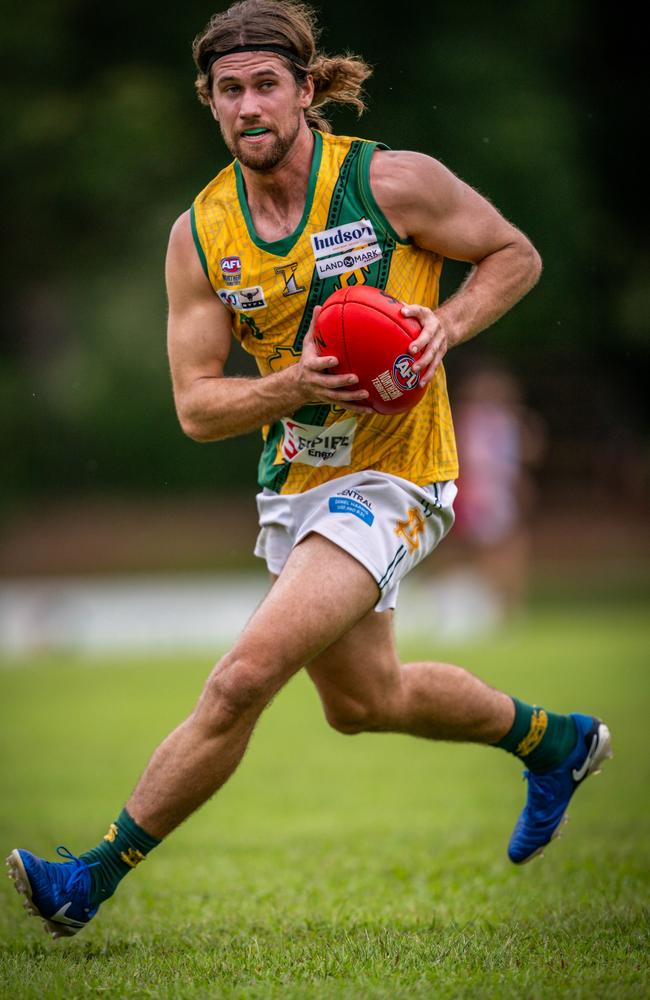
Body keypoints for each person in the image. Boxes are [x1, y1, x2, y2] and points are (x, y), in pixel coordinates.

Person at [7, 0, 611, 940]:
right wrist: (290, 385)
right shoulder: (199, 236)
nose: (249, 106)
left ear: (304, 89)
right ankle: (556, 742)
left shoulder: (390, 182)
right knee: (368, 703)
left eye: (266, 85)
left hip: (402, 476)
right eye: (229, 90)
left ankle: (92, 874)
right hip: (297, 481)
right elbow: (197, 407)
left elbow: (514, 255)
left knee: (242, 677)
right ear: (209, 101)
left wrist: (440, 329)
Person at [451, 360, 547, 621]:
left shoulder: (507, 421)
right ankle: (487, 606)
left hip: (496, 491)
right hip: (482, 492)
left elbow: (525, 455)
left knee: (506, 547)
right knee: (488, 549)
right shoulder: (472, 420)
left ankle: (502, 605)